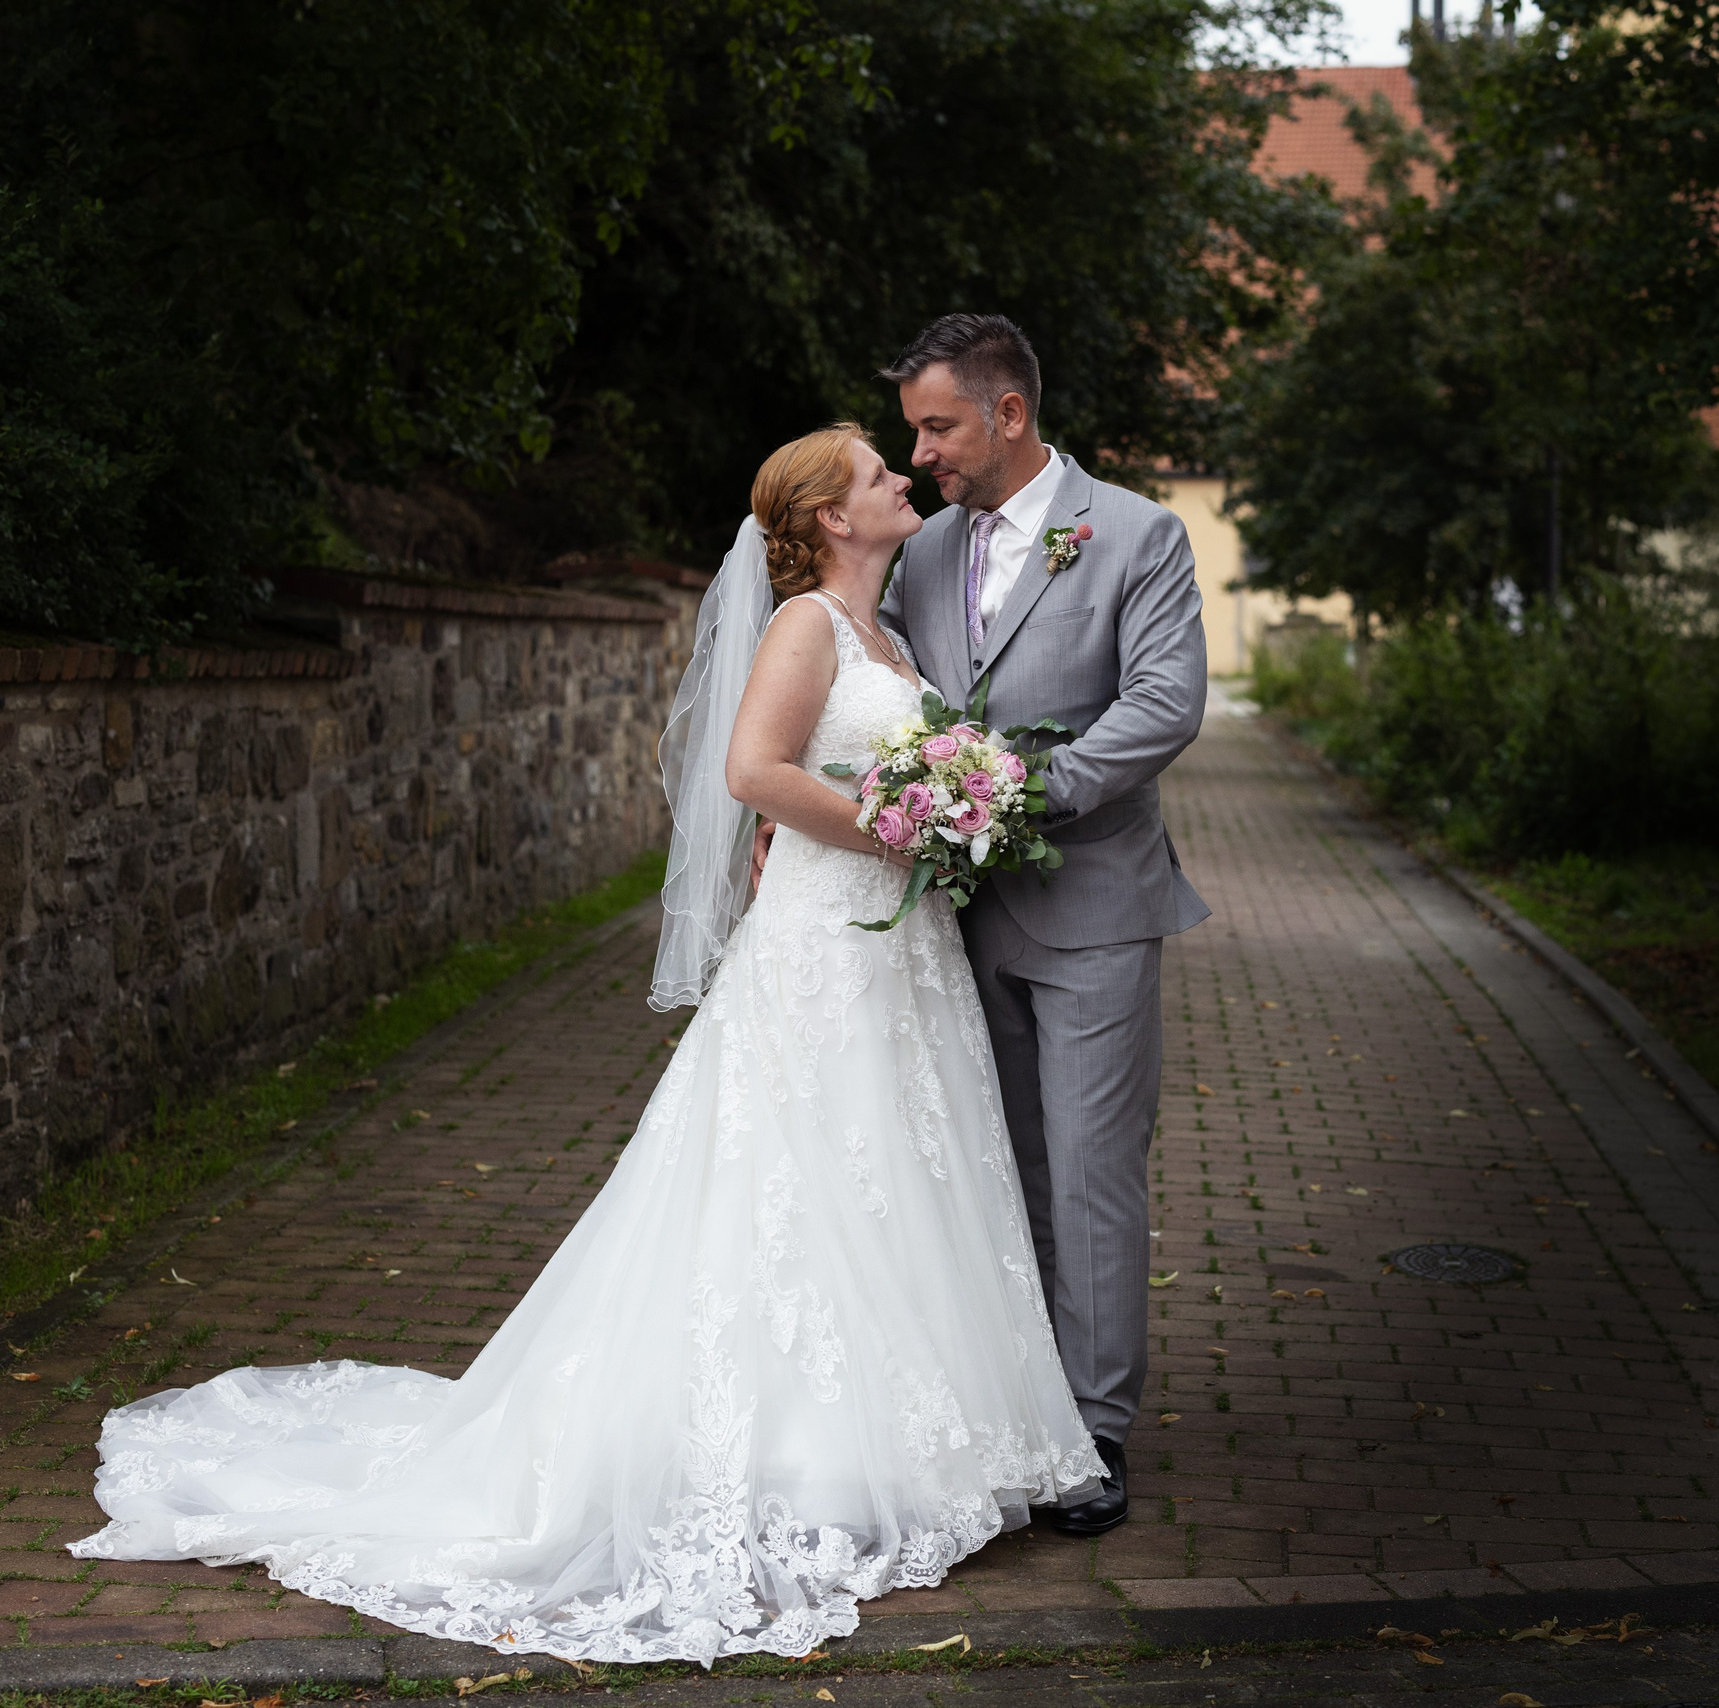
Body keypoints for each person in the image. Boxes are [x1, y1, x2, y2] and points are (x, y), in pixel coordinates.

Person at [65, 424, 1101, 1668]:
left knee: (893, 1170)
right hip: (828, 946)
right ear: (831, 516)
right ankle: (801, 1448)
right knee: (801, 1174)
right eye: (878, 473)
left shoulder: (887, 638)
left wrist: (941, 813)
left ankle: (896, 1436)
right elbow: (753, 770)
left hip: (899, 952)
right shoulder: (805, 628)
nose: (899, 481)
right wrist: (901, 825)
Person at [877, 313, 1212, 1535]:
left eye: (938, 426)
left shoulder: (1136, 534)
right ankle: (1020, 1406)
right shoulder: (923, 555)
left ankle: (1096, 1428)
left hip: (1093, 907)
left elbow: (1166, 702)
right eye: (915, 429)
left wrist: (1023, 794)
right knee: (996, 1167)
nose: (921, 456)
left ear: (1007, 414)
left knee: (1087, 1169)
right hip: (955, 920)